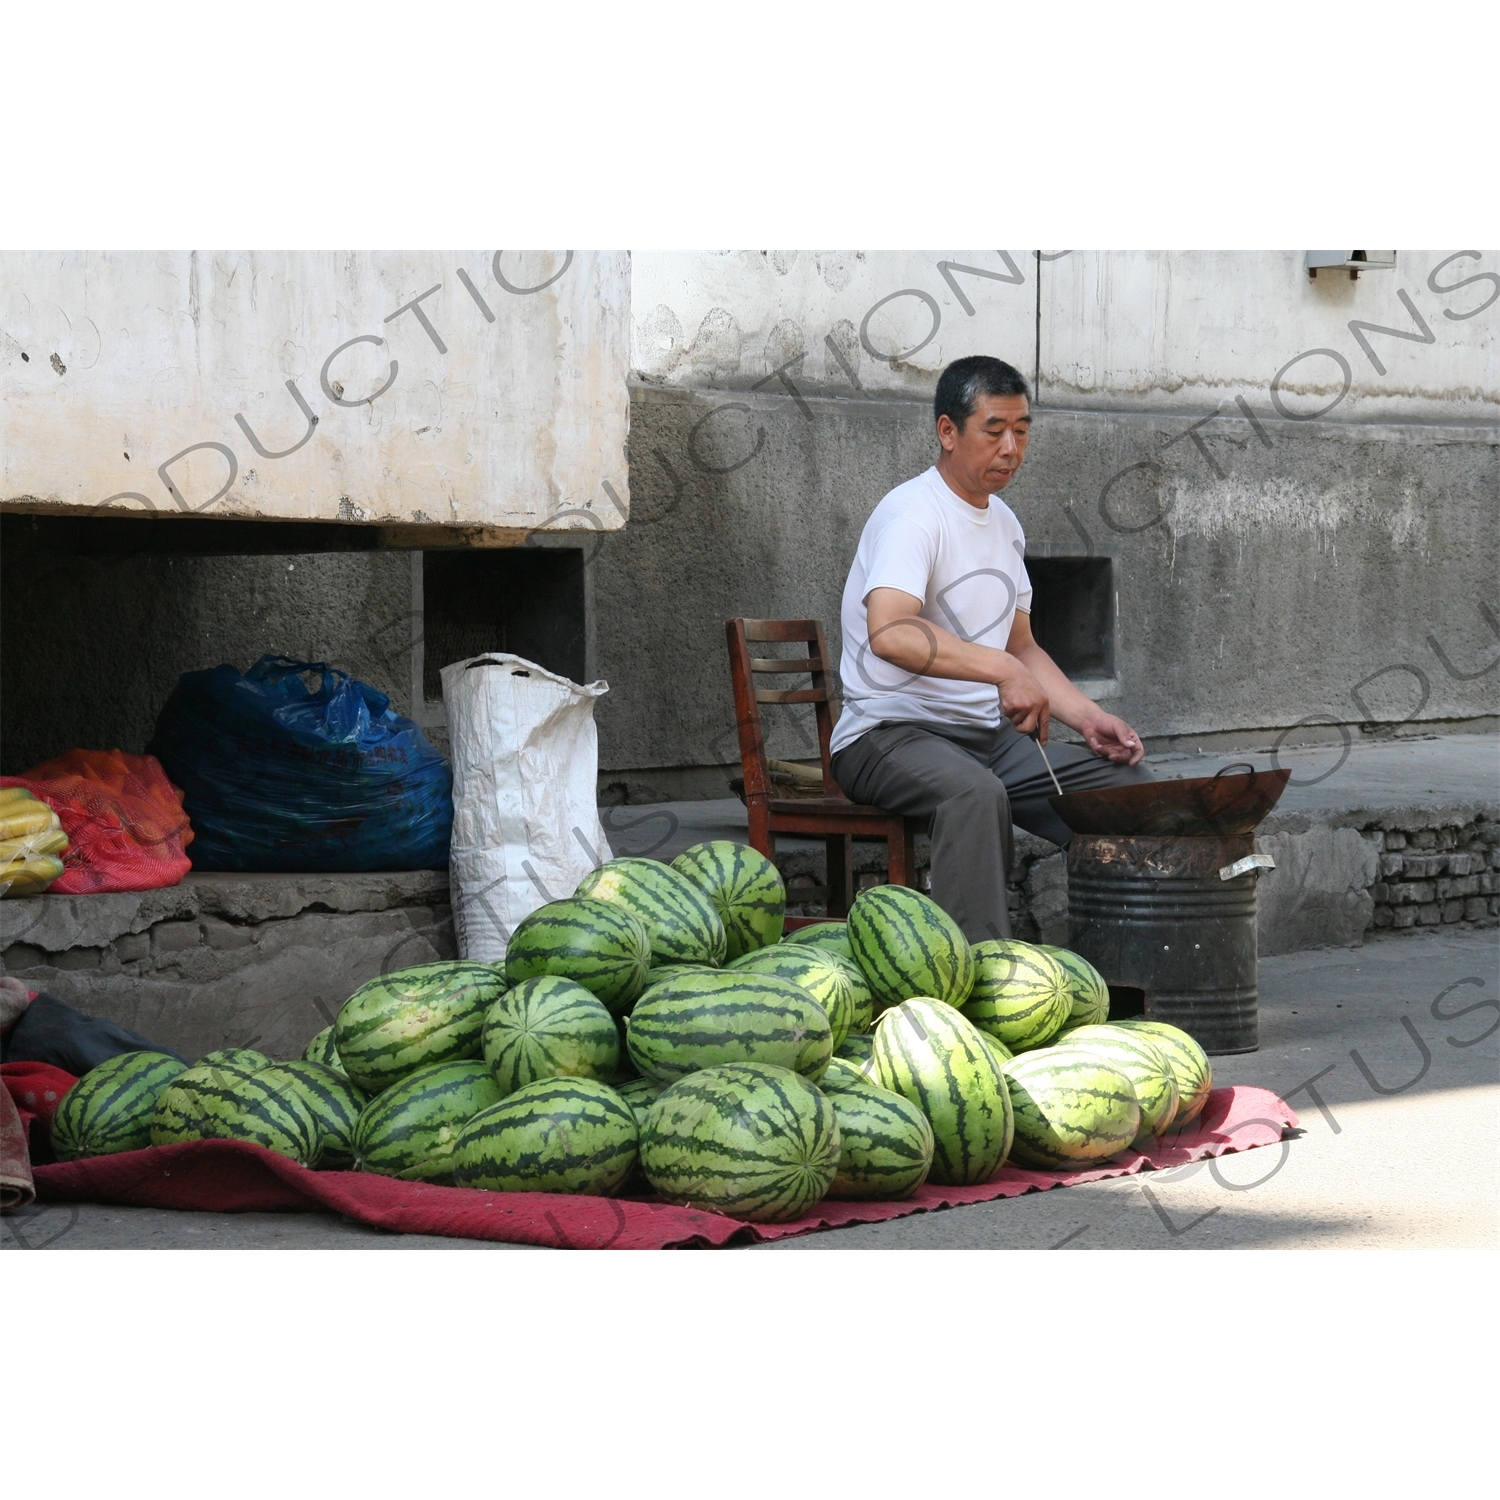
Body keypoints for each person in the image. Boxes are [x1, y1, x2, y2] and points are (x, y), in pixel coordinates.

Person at [829, 354, 1153, 942]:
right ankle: (982, 982)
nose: (1011, 448)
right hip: (887, 736)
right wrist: (1000, 670)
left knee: (1128, 793)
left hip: (986, 739)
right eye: (994, 430)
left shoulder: (1004, 523)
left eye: (1022, 431)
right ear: (947, 432)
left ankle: (1129, 961)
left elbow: (1023, 646)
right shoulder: (912, 513)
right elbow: (891, 630)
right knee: (975, 796)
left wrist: (1088, 717)